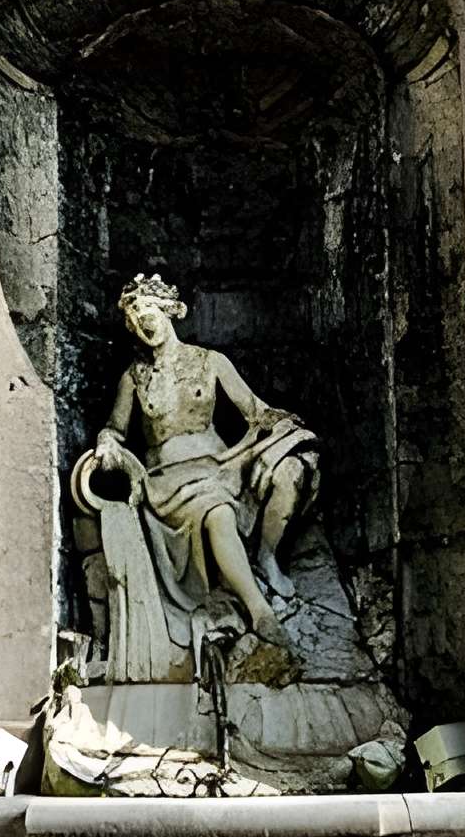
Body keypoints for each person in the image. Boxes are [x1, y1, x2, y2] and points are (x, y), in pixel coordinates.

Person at [92, 274, 318, 649]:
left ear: (167, 311)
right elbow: (115, 429)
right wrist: (106, 442)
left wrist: (284, 429)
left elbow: (257, 411)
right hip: (169, 484)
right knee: (217, 512)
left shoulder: (210, 361)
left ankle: (267, 557)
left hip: (221, 465)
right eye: (135, 320)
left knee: (290, 467)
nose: (144, 325)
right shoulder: (134, 378)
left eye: (148, 313)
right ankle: (260, 610)